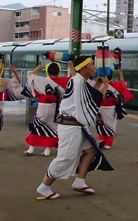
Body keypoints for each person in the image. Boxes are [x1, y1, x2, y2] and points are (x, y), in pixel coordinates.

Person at [35, 55, 112, 200]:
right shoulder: (77, 82)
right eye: (91, 65)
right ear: (83, 68)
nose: (94, 67)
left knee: (91, 150)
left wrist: (97, 86)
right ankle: (44, 186)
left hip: (75, 125)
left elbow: (89, 96)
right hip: (70, 127)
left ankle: (80, 181)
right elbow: (95, 99)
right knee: (64, 158)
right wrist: (105, 86)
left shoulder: (79, 81)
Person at [24, 61, 75, 157]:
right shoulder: (64, 81)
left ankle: (31, 149)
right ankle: (47, 150)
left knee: (36, 126)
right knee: (53, 128)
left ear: (47, 72)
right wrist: (71, 67)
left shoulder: (41, 80)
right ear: (59, 72)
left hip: (42, 107)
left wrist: (39, 67)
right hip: (54, 108)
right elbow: (75, 79)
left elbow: (31, 75)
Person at [96, 67, 134, 150]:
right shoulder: (116, 85)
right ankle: (108, 144)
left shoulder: (99, 85)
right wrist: (120, 73)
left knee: (100, 124)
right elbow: (123, 83)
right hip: (111, 109)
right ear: (111, 77)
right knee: (110, 126)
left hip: (100, 108)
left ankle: (102, 139)